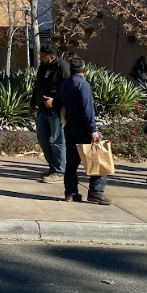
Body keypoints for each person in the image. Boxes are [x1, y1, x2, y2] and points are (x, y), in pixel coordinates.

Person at [55, 56, 110, 205]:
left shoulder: (64, 84)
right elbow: (87, 109)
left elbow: (57, 103)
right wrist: (93, 129)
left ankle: (71, 192)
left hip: (70, 126)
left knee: (72, 162)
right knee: (98, 159)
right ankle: (96, 192)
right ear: (84, 70)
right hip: (84, 128)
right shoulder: (83, 85)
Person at [30, 43, 71, 183]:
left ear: (51, 57)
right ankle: (53, 167)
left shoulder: (63, 68)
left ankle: (59, 172)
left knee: (57, 141)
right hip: (42, 109)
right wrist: (32, 104)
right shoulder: (43, 66)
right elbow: (37, 86)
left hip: (56, 111)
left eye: (43, 56)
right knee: (43, 139)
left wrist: (55, 101)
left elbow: (69, 90)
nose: (40, 58)